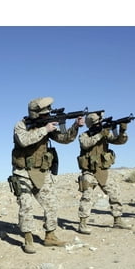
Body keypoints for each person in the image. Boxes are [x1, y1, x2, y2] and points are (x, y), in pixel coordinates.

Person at [10, 97, 84, 254]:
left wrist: (75, 126)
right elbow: (23, 141)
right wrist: (45, 129)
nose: (46, 116)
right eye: (43, 115)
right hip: (22, 173)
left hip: (42, 172)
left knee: (51, 204)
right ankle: (28, 239)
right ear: (35, 114)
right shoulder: (21, 125)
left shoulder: (46, 126)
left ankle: (50, 236)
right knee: (26, 206)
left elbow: (64, 139)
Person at [76, 112, 132, 234]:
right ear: (91, 125)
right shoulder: (84, 135)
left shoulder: (105, 134)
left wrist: (122, 130)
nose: (100, 125)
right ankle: (83, 223)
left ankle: (117, 220)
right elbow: (86, 144)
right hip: (89, 172)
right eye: (97, 123)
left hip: (103, 170)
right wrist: (101, 134)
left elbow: (119, 141)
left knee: (114, 194)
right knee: (87, 197)